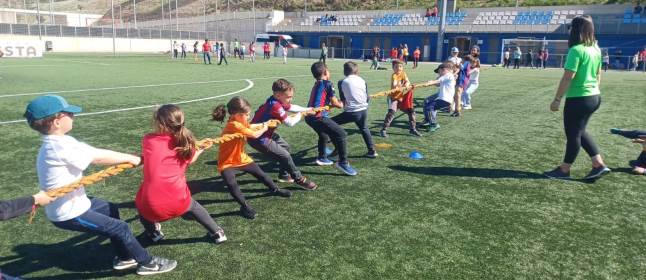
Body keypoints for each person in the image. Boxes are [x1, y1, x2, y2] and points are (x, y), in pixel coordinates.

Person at [23, 95, 177, 275]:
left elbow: (93, 152)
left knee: (110, 209)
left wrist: (130, 158)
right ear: (57, 122)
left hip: (78, 202)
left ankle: (124, 258)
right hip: (69, 213)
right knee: (121, 228)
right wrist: (132, 158)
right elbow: (97, 157)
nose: (73, 116)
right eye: (69, 113)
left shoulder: (58, 142)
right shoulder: (59, 146)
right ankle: (148, 263)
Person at [135, 105, 227, 245]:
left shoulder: (149, 140)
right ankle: (217, 233)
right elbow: (189, 159)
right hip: (180, 202)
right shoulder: (187, 142)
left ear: (159, 123)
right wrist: (200, 149)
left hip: (151, 207)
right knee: (194, 207)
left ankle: (154, 233)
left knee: (142, 207)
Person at [544, 15, 610, 181]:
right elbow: (598, 74)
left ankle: (564, 170)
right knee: (580, 131)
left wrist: (557, 99)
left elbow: (568, 77)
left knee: (573, 134)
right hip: (594, 96)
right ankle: (598, 164)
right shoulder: (595, 48)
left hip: (579, 99)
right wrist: (594, 89)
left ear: (575, 31)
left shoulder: (576, 50)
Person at [211, 97, 292, 219]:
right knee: (232, 184)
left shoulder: (240, 121)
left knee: (261, 174)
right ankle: (245, 206)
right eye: (247, 115)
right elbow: (254, 134)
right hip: (227, 161)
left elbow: (251, 126)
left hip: (241, 157)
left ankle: (275, 189)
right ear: (237, 114)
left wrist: (265, 123)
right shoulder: (234, 124)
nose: (248, 117)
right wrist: (265, 128)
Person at [248, 79, 318, 190]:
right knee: (285, 155)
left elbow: (291, 107)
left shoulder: (277, 101)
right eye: (288, 97)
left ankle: (284, 175)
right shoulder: (275, 105)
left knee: (286, 147)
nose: (291, 99)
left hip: (267, 134)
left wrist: (308, 109)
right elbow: (289, 123)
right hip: (258, 138)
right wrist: (302, 114)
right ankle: (299, 179)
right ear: (277, 95)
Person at [306, 62, 357, 176]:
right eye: (328, 70)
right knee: (342, 134)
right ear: (325, 72)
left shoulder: (317, 83)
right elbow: (336, 104)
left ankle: (322, 157)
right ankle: (343, 163)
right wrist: (342, 103)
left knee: (324, 134)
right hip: (318, 117)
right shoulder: (328, 83)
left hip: (309, 117)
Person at [332, 61, 378, 158]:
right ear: (357, 71)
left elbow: (343, 100)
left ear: (345, 72)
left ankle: (337, 149)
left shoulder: (342, 82)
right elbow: (367, 97)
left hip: (352, 112)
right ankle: (372, 150)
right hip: (364, 110)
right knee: (364, 128)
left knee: (329, 124)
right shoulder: (362, 80)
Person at [380, 59, 422, 137]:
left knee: (411, 111)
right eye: (396, 67)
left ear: (402, 68)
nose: (399, 68)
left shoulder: (403, 73)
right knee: (391, 112)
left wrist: (407, 84)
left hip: (401, 98)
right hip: (393, 98)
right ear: (393, 68)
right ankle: (383, 130)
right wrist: (401, 86)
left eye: (400, 66)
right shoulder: (394, 75)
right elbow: (395, 84)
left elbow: (408, 81)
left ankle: (412, 129)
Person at [421, 62, 457, 132]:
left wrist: (431, 82)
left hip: (445, 99)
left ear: (444, 70)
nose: (438, 74)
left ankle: (433, 124)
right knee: (428, 104)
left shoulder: (448, 75)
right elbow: (438, 84)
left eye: (439, 72)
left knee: (429, 107)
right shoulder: (448, 77)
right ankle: (429, 121)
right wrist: (430, 82)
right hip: (444, 99)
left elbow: (439, 80)